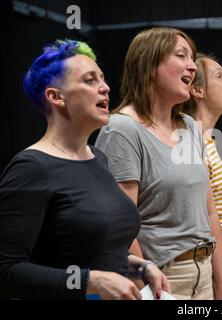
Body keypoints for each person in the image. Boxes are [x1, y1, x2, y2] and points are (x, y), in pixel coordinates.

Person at [0, 39, 169, 300]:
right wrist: (90, 280)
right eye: (90, 80)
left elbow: (97, 251)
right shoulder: (31, 168)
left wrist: (141, 266)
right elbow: (7, 271)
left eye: (102, 79)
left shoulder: (97, 158)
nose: (105, 88)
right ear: (56, 97)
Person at [95, 28, 222, 300]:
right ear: (149, 66)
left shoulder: (190, 127)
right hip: (163, 280)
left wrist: (221, 286)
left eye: (192, 58)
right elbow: (121, 225)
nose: (192, 66)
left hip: (203, 274)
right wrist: (146, 285)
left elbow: (210, 212)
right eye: (181, 56)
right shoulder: (121, 129)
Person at [183, 54, 222, 299]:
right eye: (220, 76)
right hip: (209, 254)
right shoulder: (190, 137)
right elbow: (201, 215)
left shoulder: (207, 137)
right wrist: (221, 285)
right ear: (197, 90)